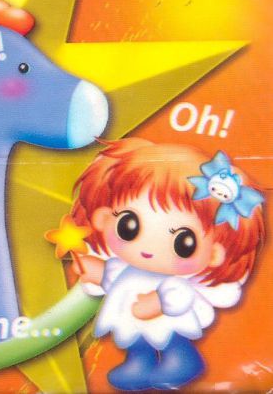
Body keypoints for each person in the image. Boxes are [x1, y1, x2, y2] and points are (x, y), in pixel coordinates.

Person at [70, 138, 265, 390]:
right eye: (129, 226)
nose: (149, 247)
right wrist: (95, 271)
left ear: (214, 254)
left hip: (168, 323)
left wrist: (158, 302)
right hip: (131, 317)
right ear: (104, 218)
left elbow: (179, 296)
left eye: (184, 243)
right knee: (134, 338)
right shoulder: (125, 267)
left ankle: (183, 360)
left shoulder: (176, 283)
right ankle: (138, 363)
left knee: (169, 338)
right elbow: (112, 277)